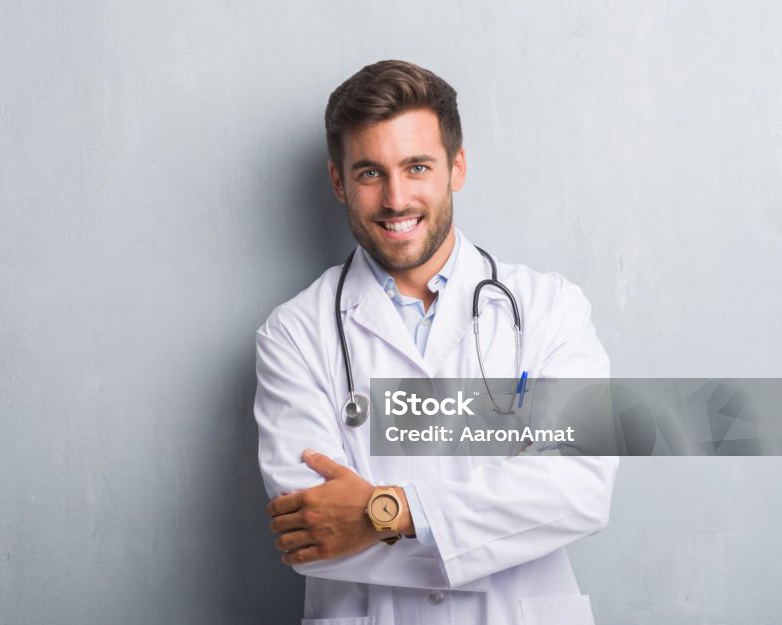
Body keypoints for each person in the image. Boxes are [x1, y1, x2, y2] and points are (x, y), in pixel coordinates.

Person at [253, 60, 618, 625]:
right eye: (371, 173)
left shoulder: (549, 309)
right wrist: (498, 528)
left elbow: (581, 490)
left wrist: (383, 512)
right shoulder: (294, 334)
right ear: (337, 181)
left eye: (417, 166)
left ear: (457, 167)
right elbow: (314, 537)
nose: (396, 199)